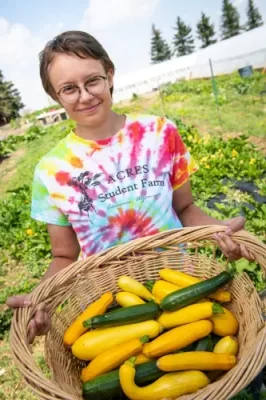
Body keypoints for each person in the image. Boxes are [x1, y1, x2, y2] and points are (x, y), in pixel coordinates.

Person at [6, 31, 255, 343]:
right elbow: (64, 255)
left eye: (92, 80)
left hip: (181, 281)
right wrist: (40, 296)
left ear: (109, 74)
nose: (84, 96)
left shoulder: (160, 132)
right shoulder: (51, 171)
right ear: (56, 96)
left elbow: (185, 208)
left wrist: (219, 230)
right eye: (69, 89)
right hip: (111, 299)